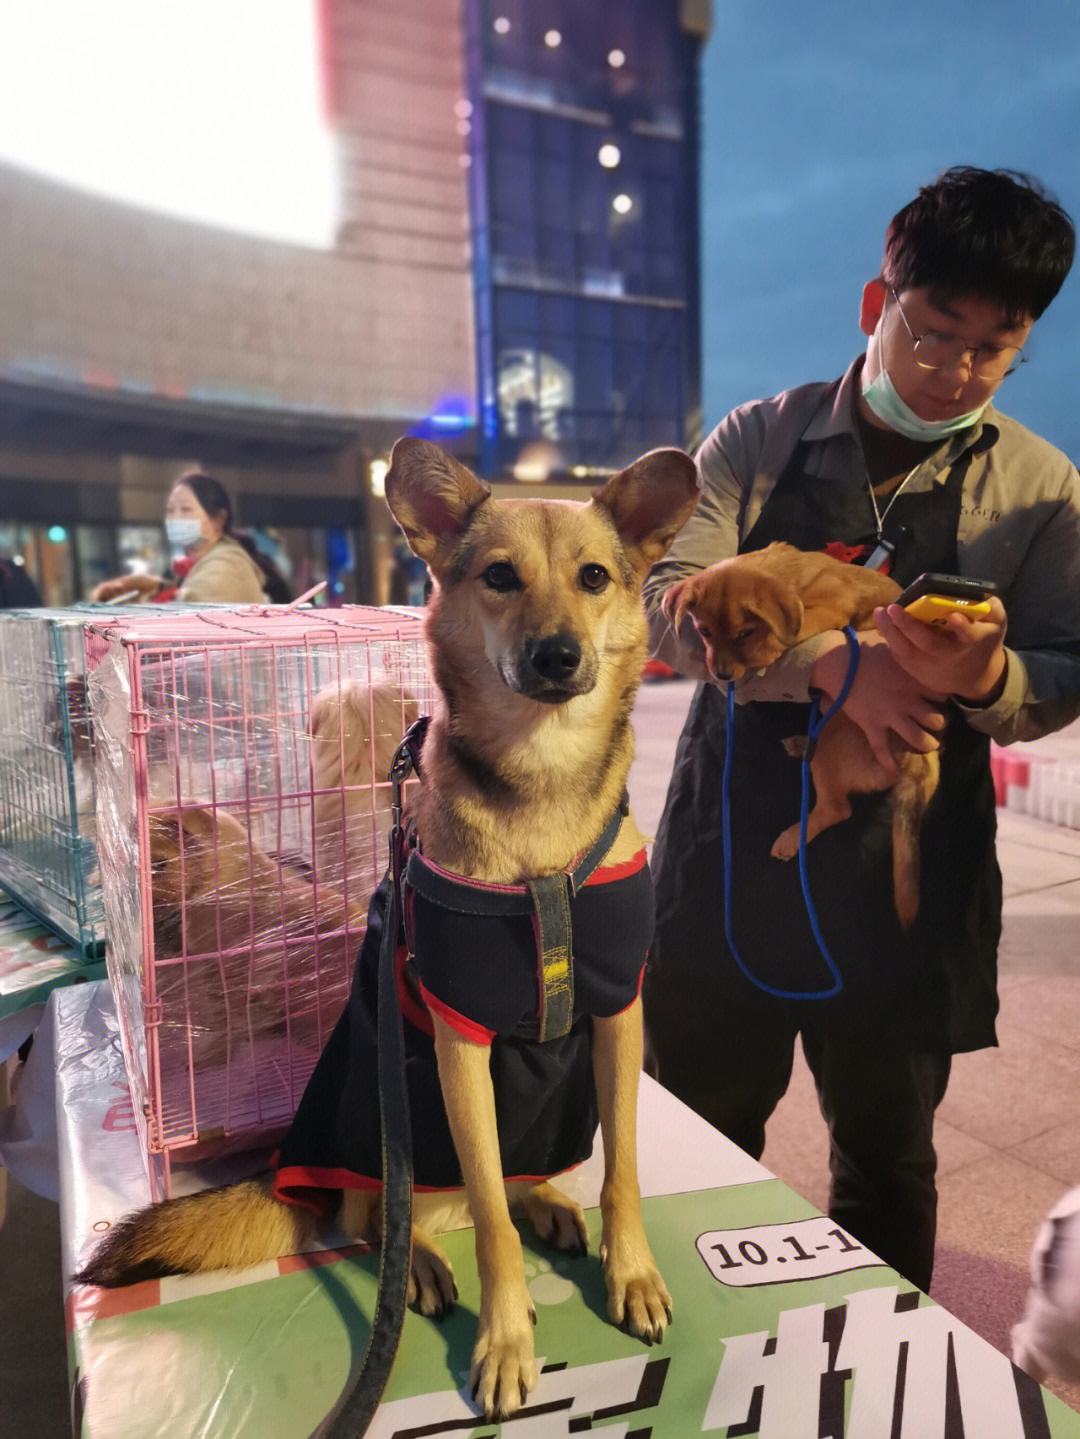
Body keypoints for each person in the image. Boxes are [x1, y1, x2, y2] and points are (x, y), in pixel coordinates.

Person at [642, 167, 1080, 1294]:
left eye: (996, 346)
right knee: (694, 1134)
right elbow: (663, 605)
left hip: (908, 864)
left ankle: (880, 1367)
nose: (958, 372)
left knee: (888, 1159)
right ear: (877, 305)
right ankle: (685, 1347)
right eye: (934, 335)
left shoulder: (1041, 487)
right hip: (733, 841)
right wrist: (831, 665)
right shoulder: (757, 439)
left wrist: (989, 670)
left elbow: (1062, 670)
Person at [91, 471, 291, 605]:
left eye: (186, 510)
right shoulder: (192, 567)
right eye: (170, 511)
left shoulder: (227, 565)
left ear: (218, 519)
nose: (175, 518)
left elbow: (193, 614)